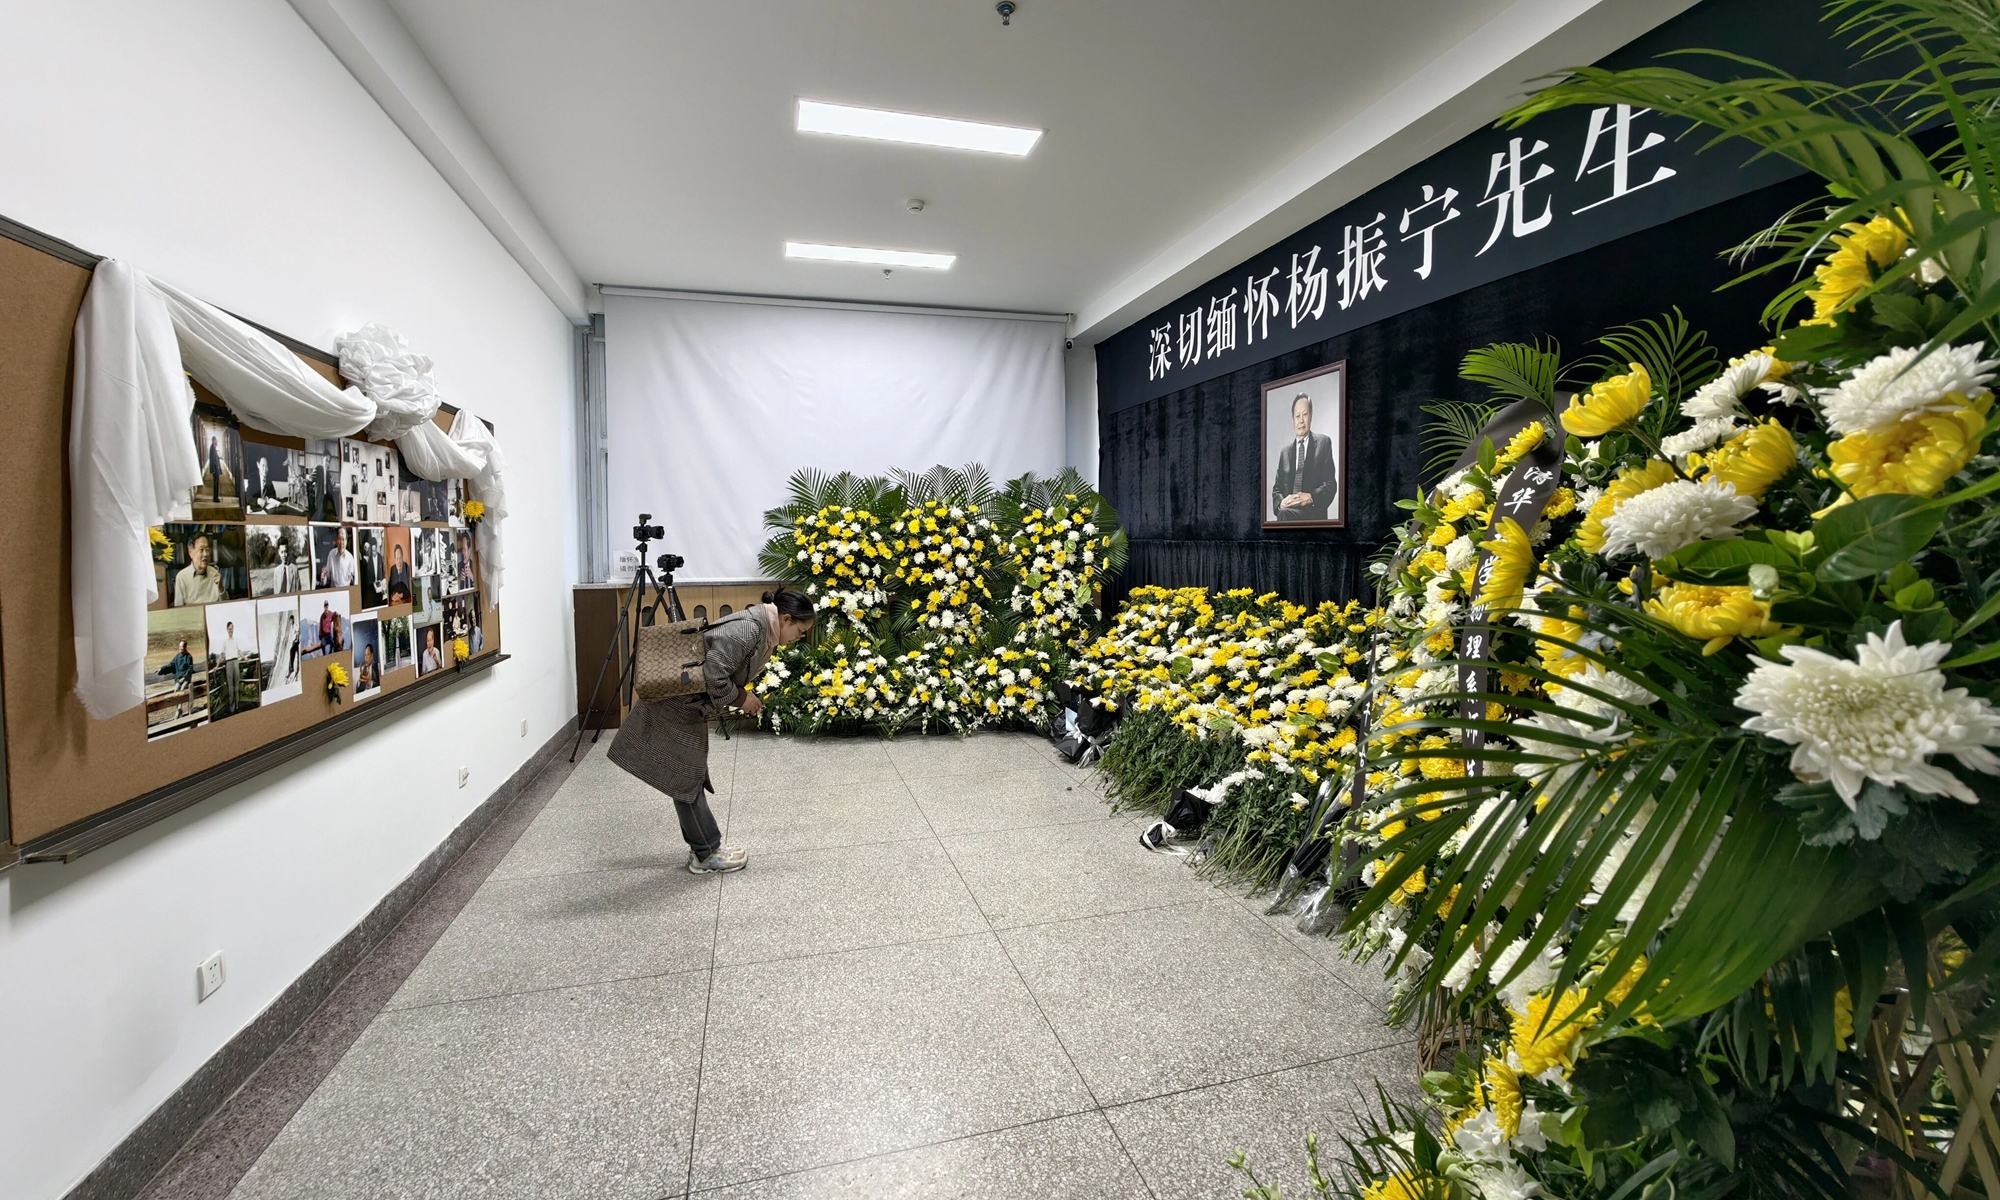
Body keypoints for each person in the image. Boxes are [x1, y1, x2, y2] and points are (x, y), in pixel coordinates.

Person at [610, 586, 816, 874]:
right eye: (801, 630)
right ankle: (706, 854)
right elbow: (714, 676)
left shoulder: (759, 627)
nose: (799, 638)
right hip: (677, 706)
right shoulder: (748, 630)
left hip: (683, 704)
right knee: (686, 780)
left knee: (687, 778)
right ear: (786, 619)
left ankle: (705, 847)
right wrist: (743, 698)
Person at [1270, 391, 1338, 522]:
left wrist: (1311, 497)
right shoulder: (1284, 452)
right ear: (1292, 420)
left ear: (1311, 416)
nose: (1301, 420)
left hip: (1312, 512)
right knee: (1283, 513)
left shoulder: (1323, 443)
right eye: (1297, 416)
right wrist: (1281, 503)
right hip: (1287, 510)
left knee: (1283, 516)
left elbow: (1331, 485)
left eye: (1305, 414)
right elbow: (1276, 489)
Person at [173, 532, 227, 605]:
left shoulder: (214, 573)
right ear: (190, 551)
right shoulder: (182, 577)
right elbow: (178, 611)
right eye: (201, 550)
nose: (205, 554)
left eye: (207, 549)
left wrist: (220, 587)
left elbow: (226, 604)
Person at [217, 620, 244, 715]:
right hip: (228, 663)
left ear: (233, 629)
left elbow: (239, 651)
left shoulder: (236, 640)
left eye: (232, 628)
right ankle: (232, 707)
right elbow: (221, 654)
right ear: (227, 630)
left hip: (236, 661)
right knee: (230, 686)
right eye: (229, 629)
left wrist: (245, 658)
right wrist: (217, 666)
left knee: (237, 684)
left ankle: (237, 704)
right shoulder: (225, 641)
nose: (231, 630)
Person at [167, 638, 196, 717]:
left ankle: (180, 709)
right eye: (179, 646)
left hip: (186, 679)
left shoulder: (189, 657)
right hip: (179, 679)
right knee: (176, 689)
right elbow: (170, 665)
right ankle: (179, 709)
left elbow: (190, 669)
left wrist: (184, 678)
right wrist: (162, 669)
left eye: (182, 646)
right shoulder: (177, 657)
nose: (180, 648)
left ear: (185, 647)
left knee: (182, 689)